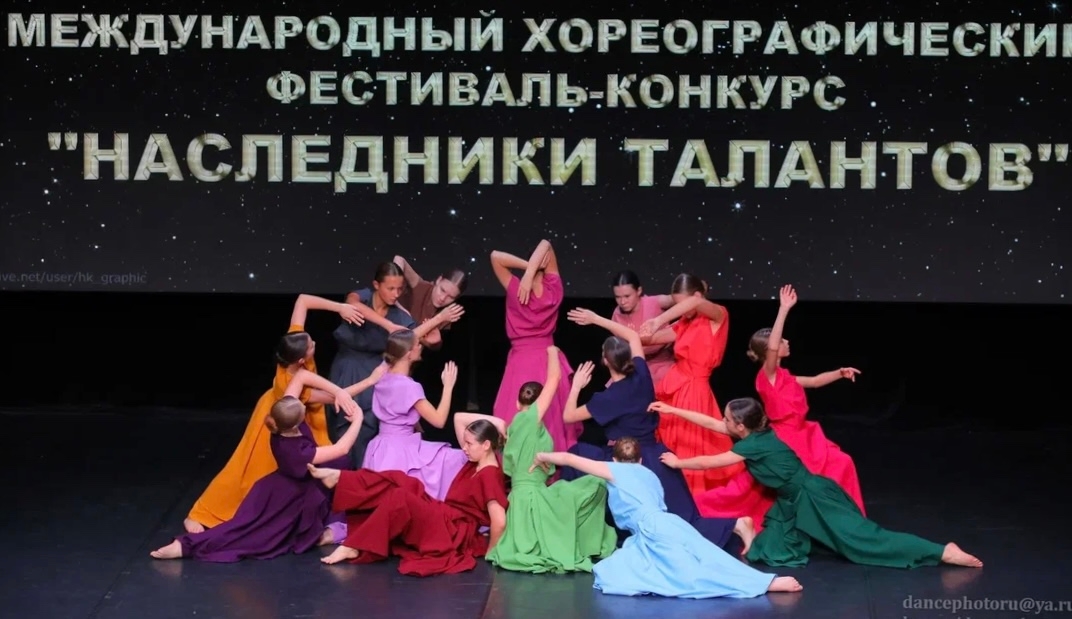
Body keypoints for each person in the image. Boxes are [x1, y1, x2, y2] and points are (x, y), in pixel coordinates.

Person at [658, 398, 983, 569]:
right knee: (767, 551)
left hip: (814, 497)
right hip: (793, 501)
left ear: (741, 426)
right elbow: (712, 423)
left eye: (728, 419)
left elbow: (710, 462)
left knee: (864, 540)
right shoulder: (754, 433)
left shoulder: (752, 445)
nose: (723, 421)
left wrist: (678, 462)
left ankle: (941, 551)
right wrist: (672, 409)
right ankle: (760, 532)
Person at [558, 307, 752, 551]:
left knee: (577, 456)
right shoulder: (642, 374)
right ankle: (735, 524)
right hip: (657, 458)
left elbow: (568, 416)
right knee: (682, 520)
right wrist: (597, 319)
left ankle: (574, 533)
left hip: (628, 461)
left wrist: (576, 386)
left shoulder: (608, 398)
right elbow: (633, 337)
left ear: (605, 361)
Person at [530, 439, 802, 599]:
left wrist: (541, 455)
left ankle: (766, 584)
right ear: (640, 460)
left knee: (690, 575)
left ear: (614, 459)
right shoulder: (650, 474)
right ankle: (762, 581)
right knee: (706, 556)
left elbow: (569, 458)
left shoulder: (613, 470)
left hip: (654, 528)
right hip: (666, 524)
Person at [183, 293, 363, 533]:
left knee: (307, 473)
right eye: (311, 346)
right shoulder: (290, 384)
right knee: (250, 470)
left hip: (295, 417)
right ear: (302, 359)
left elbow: (303, 300)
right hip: (283, 418)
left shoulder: (293, 343)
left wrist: (340, 307)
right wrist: (370, 380)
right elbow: (331, 398)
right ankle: (205, 512)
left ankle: (309, 518)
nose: (314, 343)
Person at [694, 285, 866, 531]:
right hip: (787, 440)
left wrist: (839, 373)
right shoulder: (768, 375)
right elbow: (773, 347)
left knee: (842, 463)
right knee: (766, 491)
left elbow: (814, 381)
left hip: (805, 434)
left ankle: (844, 520)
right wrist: (783, 309)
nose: (786, 342)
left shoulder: (784, 376)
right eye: (782, 340)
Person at [150, 369, 365, 562]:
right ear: (295, 423)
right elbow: (342, 448)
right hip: (287, 497)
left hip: (277, 487)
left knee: (339, 470)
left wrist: (339, 392)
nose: (303, 403)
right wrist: (358, 419)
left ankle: (332, 526)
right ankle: (184, 546)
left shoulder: (282, 415)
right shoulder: (297, 451)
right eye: (302, 407)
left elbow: (301, 376)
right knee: (247, 534)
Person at [306, 416, 509, 577]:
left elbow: (499, 521)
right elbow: (459, 418)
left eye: (469, 444)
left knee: (401, 497)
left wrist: (491, 554)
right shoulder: (476, 459)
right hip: (445, 515)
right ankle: (340, 478)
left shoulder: (490, 475)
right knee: (399, 479)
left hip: (453, 529)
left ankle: (354, 546)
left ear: (486, 445)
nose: (464, 448)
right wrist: (499, 426)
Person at [485, 346, 618, 574]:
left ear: (517, 403)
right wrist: (552, 351)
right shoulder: (530, 420)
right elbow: (554, 378)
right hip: (533, 499)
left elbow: (514, 465)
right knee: (595, 483)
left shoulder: (513, 428)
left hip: (520, 499)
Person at [330, 261, 464, 468]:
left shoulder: (401, 319)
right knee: (344, 428)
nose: (396, 294)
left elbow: (409, 338)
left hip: (378, 370)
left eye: (400, 289)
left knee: (369, 429)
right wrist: (388, 325)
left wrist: (436, 326)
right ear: (376, 284)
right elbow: (352, 304)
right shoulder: (363, 297)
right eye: (391, 288)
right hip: (348, 369)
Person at [639, 273, 742, 494]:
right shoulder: (685, 322)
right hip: (675, 386)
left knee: (692, 445)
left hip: (695, 392)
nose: (681, 310)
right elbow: (651, 339)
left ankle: (695, 498)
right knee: (670, 447)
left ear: (697, 295)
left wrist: (658, 320)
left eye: (681, 304)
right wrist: (606, 324)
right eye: (676, 305)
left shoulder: (718, 315)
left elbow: (694, 303)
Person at [490, 240, 580, 452]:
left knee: (516, 412)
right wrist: (534, 267)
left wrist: (528, 270)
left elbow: (495, 255)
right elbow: (546, 243)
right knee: (550, 413)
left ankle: (518, 461)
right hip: (548, 359)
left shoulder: (516, 288)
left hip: (522, 361)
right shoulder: (554, 289)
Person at [362, 328, 468, 500]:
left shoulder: (382, 374)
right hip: (401, 451)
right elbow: (439, 421)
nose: (420, 346)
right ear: (408, 354)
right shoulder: (410, 387)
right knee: (456, 460)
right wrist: (448, 386)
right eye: (418, 345)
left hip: (380, 449)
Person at [390, 255, 471, 439]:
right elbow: (399, 259)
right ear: (438, 280)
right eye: (442, 290)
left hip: (405, 367)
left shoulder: (447, 314)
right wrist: (394, 285)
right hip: (385, 354)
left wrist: (435, 343)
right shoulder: (420, 285)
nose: (443, 298)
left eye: (451, 297)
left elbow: (417, 341)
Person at [608, 270, 675, 386]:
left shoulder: (654, 302)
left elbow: (682, 299)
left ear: (639, 291)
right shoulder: (616, 315)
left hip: (663, 364)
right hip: (634, 367)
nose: (622, 302)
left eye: (627, 296)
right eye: (618, 297)